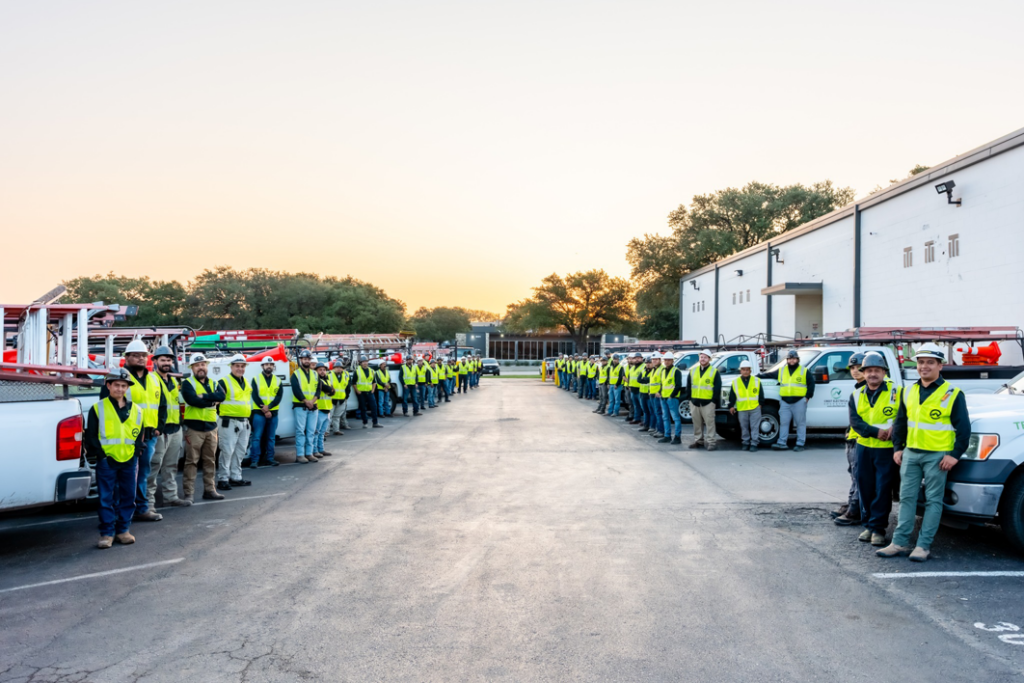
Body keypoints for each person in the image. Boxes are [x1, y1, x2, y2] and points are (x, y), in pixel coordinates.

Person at [877, 343, 970, 562]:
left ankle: (923, 546)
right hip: (911, 454)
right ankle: (899, 543)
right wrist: (898, 448)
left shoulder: (953, 393)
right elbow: (900, 422)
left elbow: (964, 429)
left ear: (940, 365)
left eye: (930, 362)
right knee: (907, 498)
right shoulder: (908, 391)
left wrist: (954, 454)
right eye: (920, 362)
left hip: (938, 456)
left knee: (933, 501)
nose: (924, 367)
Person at [106, 339, 166, 523]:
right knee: (122, 475)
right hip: (126, 437)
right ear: (127, 357)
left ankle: (141, 509)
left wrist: (159, 427)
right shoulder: (120, 377)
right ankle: (117, 513)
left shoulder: (154, 378)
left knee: (142, 474)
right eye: (136, 355)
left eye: (143, 355)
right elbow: (108, 406)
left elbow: (161, 405)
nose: (141, 359)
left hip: (148, 436)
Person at [847, 353, 902, 547]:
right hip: (864, 447)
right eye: (868, 371)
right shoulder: (856, 394)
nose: (872, 374)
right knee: (865, 488)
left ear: (883, 372)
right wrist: (875, 432)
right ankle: (868, 525)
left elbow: (904, 416)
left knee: (882, 489)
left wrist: (894, 430)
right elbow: (855, 422)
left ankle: (878, 528)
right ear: (864, 373)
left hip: (886, 450)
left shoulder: (898, 392)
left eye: (876, 370)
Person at [88, 368, 145, 548]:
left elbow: (139, 436)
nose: (120, 389)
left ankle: (123, 530)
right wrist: (101, 455)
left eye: (123, 385)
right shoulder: (98, 408)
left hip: (129, 460)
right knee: (106, 498)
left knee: (129, 496)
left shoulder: (137, 410)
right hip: (107, 461)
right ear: (108, 385)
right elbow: (91, 436)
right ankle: (107, 533)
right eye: (116, 385)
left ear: (127, 387)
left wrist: (136, 454)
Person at [180, 353, 226, 501]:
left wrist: (205, 396)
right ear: (192, 367)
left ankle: (210, 490)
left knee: (210, 460)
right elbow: (193, 401)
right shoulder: (187, 383)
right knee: (191, 461)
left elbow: (222, 396)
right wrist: (212, 400)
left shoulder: (213, 382)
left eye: (203, 364)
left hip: (211, 428)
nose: (201, 367)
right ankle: (189, 494)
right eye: (197, 365)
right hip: (194, 428)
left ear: (206, 366)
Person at [149, 346, 189, 508]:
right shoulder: (152, 380)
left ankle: (170, 496)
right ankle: (148, 502)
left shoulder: (173, 380)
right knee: (153, 466)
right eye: (163, 360)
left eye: (169, 360)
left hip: (175, 429)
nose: (166, 363)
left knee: (171, 465)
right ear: (155, 361)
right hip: (160, 430)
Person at [760, 349, 815, 452]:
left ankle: (800, 443)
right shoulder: (782, 370)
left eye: (794, 359)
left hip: (799, 401)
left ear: (797, 359)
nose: (792, 361)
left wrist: (807, 397)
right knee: (784, 423)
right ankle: (782, 443)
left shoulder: (804, 371)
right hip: (785, 402)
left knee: (800, 423)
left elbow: (811, 384)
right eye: (790, 359)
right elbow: (769, 375)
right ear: (787, 360)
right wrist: (757, 376)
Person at [833, 353, 866, 525]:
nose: (855, 371)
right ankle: (852, 503)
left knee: (859, 475)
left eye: (859, 367)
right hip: (854, 437)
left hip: (864, 440)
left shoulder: (870, 388)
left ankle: (855, 509)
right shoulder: (859, 388)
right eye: (852, 368)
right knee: (854, 474)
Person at [217, 354, 254, 489]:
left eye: (242, 366)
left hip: (244, 422)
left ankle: (236, 476)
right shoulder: (223, 382)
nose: (240, 368)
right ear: (231, 367)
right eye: (237, 366)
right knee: (226, 451)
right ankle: (223, 479)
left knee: (240, 451)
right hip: (229, 422)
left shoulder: (247, 382)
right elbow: (216, 402)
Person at [250, 356, 283, 468]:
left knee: (271, 437)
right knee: (257, 437)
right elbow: (254, 395)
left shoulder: (278, 380)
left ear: (273, 366)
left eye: (271, 364)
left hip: (273, 413)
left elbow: (279, 396)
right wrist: (264, 409)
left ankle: (270, 458)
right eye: (267, 364)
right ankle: (255, 460)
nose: (269, 366)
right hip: (259, 412)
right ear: (262, 366)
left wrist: (269, 407)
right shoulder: (256, 378)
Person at [687, 349, 721, 451]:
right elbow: (688, 386)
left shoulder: (714, 372)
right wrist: (690, 399)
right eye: (701, 357)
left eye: (705, 357)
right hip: (695, 402)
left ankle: (711, 442)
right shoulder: (693, 371)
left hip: (708, 403)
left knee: (710, 423)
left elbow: (717, 387)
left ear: (709, 359)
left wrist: (713, 401)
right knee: (697, 423)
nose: (702, 359)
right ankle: (699, 441)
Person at [290, 349, 320, 464]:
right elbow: (296, 390)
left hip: (313, 406)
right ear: (301, 360)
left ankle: (309, 453)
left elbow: (318, 389)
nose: (306, 361)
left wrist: (312, 400)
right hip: (300, 407)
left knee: (311, 431)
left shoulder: (315, 374)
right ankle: (300, 455)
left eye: (308, 359)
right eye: (304, 359)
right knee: (300, 431)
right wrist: (305, 401)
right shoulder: (296, 374)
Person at [728, 360, 764, 452]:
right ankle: (745, 443)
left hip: (754, 408)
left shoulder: (756, 380)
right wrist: (731, 406)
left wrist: (760, 404)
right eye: (743, 369)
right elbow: (732, 395)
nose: (745, 371)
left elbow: (761, 394)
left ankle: (754, 444)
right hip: (742, 408)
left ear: (750, 371)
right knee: (744, 427)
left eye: (747, 369)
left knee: (754, 427)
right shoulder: (735, 382)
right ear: (740, 371)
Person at [659, 353, 684, 445]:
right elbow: (662, 384)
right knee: (665, 418)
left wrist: (671, 395)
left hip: (672, 398)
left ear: (672, 361)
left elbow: (678, 385)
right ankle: (667, 436)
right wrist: (661, 393)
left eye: (668, 360)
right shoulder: (663, 371)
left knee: (675, 418)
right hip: (664, 398)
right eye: (665, 360)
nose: (666, 361)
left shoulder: (676, 371)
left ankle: (677, 437)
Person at [311, 362, 334, 458]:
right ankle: (315, 450)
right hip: (319, 409)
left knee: (322, 433)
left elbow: (332, 391)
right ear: (316, 371)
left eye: (324, 370)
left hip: (327, 409)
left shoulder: (327, 381)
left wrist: (330, 390)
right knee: (316, 432)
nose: (322, 371)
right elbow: (328, 389)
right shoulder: (316, 381)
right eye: (320, 370)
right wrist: (330, 390)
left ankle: (321, 449)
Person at [354, 356, 383, 427]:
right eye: (363, 362)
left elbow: (374, 382)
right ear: (360, 363)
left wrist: (373, 390)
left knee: (374, 407)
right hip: (361, 392)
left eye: (366, 362)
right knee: (363, 408)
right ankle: (365, 422)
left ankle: (375, 423)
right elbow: (353, 383)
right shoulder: (357, 371)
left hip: (369, 392)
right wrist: (357, 391)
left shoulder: (372, 371)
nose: (365, 363)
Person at [330, 360, 351, 434]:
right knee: (329, 416)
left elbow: (347, 387)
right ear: (334, 368)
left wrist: (346, 397)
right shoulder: (329, 374)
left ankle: (336, 430)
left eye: (340, 367)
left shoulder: (345, 375)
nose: (338, 369)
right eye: (337, 367)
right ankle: (325, 431)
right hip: (331, 399)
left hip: (341, 399)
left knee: (337, 416)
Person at [646, 355, 664, 437]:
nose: (654, 361)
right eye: (653, 359)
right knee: (656, 413)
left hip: (657, 395)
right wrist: (649, 390)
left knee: (658, 413)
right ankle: (657, 429)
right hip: (652, 394)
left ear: (660, 360)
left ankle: (660, 431)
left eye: (656, 359)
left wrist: (659, 391)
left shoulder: (662, 369)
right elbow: (652, 382)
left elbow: (664, 382)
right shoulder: (654, 369)